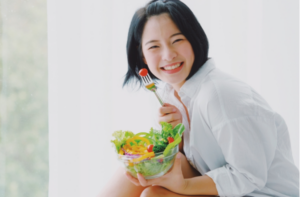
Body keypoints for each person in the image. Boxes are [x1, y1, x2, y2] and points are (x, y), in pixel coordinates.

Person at [99, 0, 299, 196]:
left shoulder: (219, 95)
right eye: (154, 47)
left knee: (154, 195)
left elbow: (249, 177)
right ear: (142, 56)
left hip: (261, 192)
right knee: (139, 165)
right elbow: (195, 162)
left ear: (194, 40)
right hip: (227, 187)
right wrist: (175, 140)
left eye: (177, 40)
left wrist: (184, 187)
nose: (168, 55)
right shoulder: (169, 95)